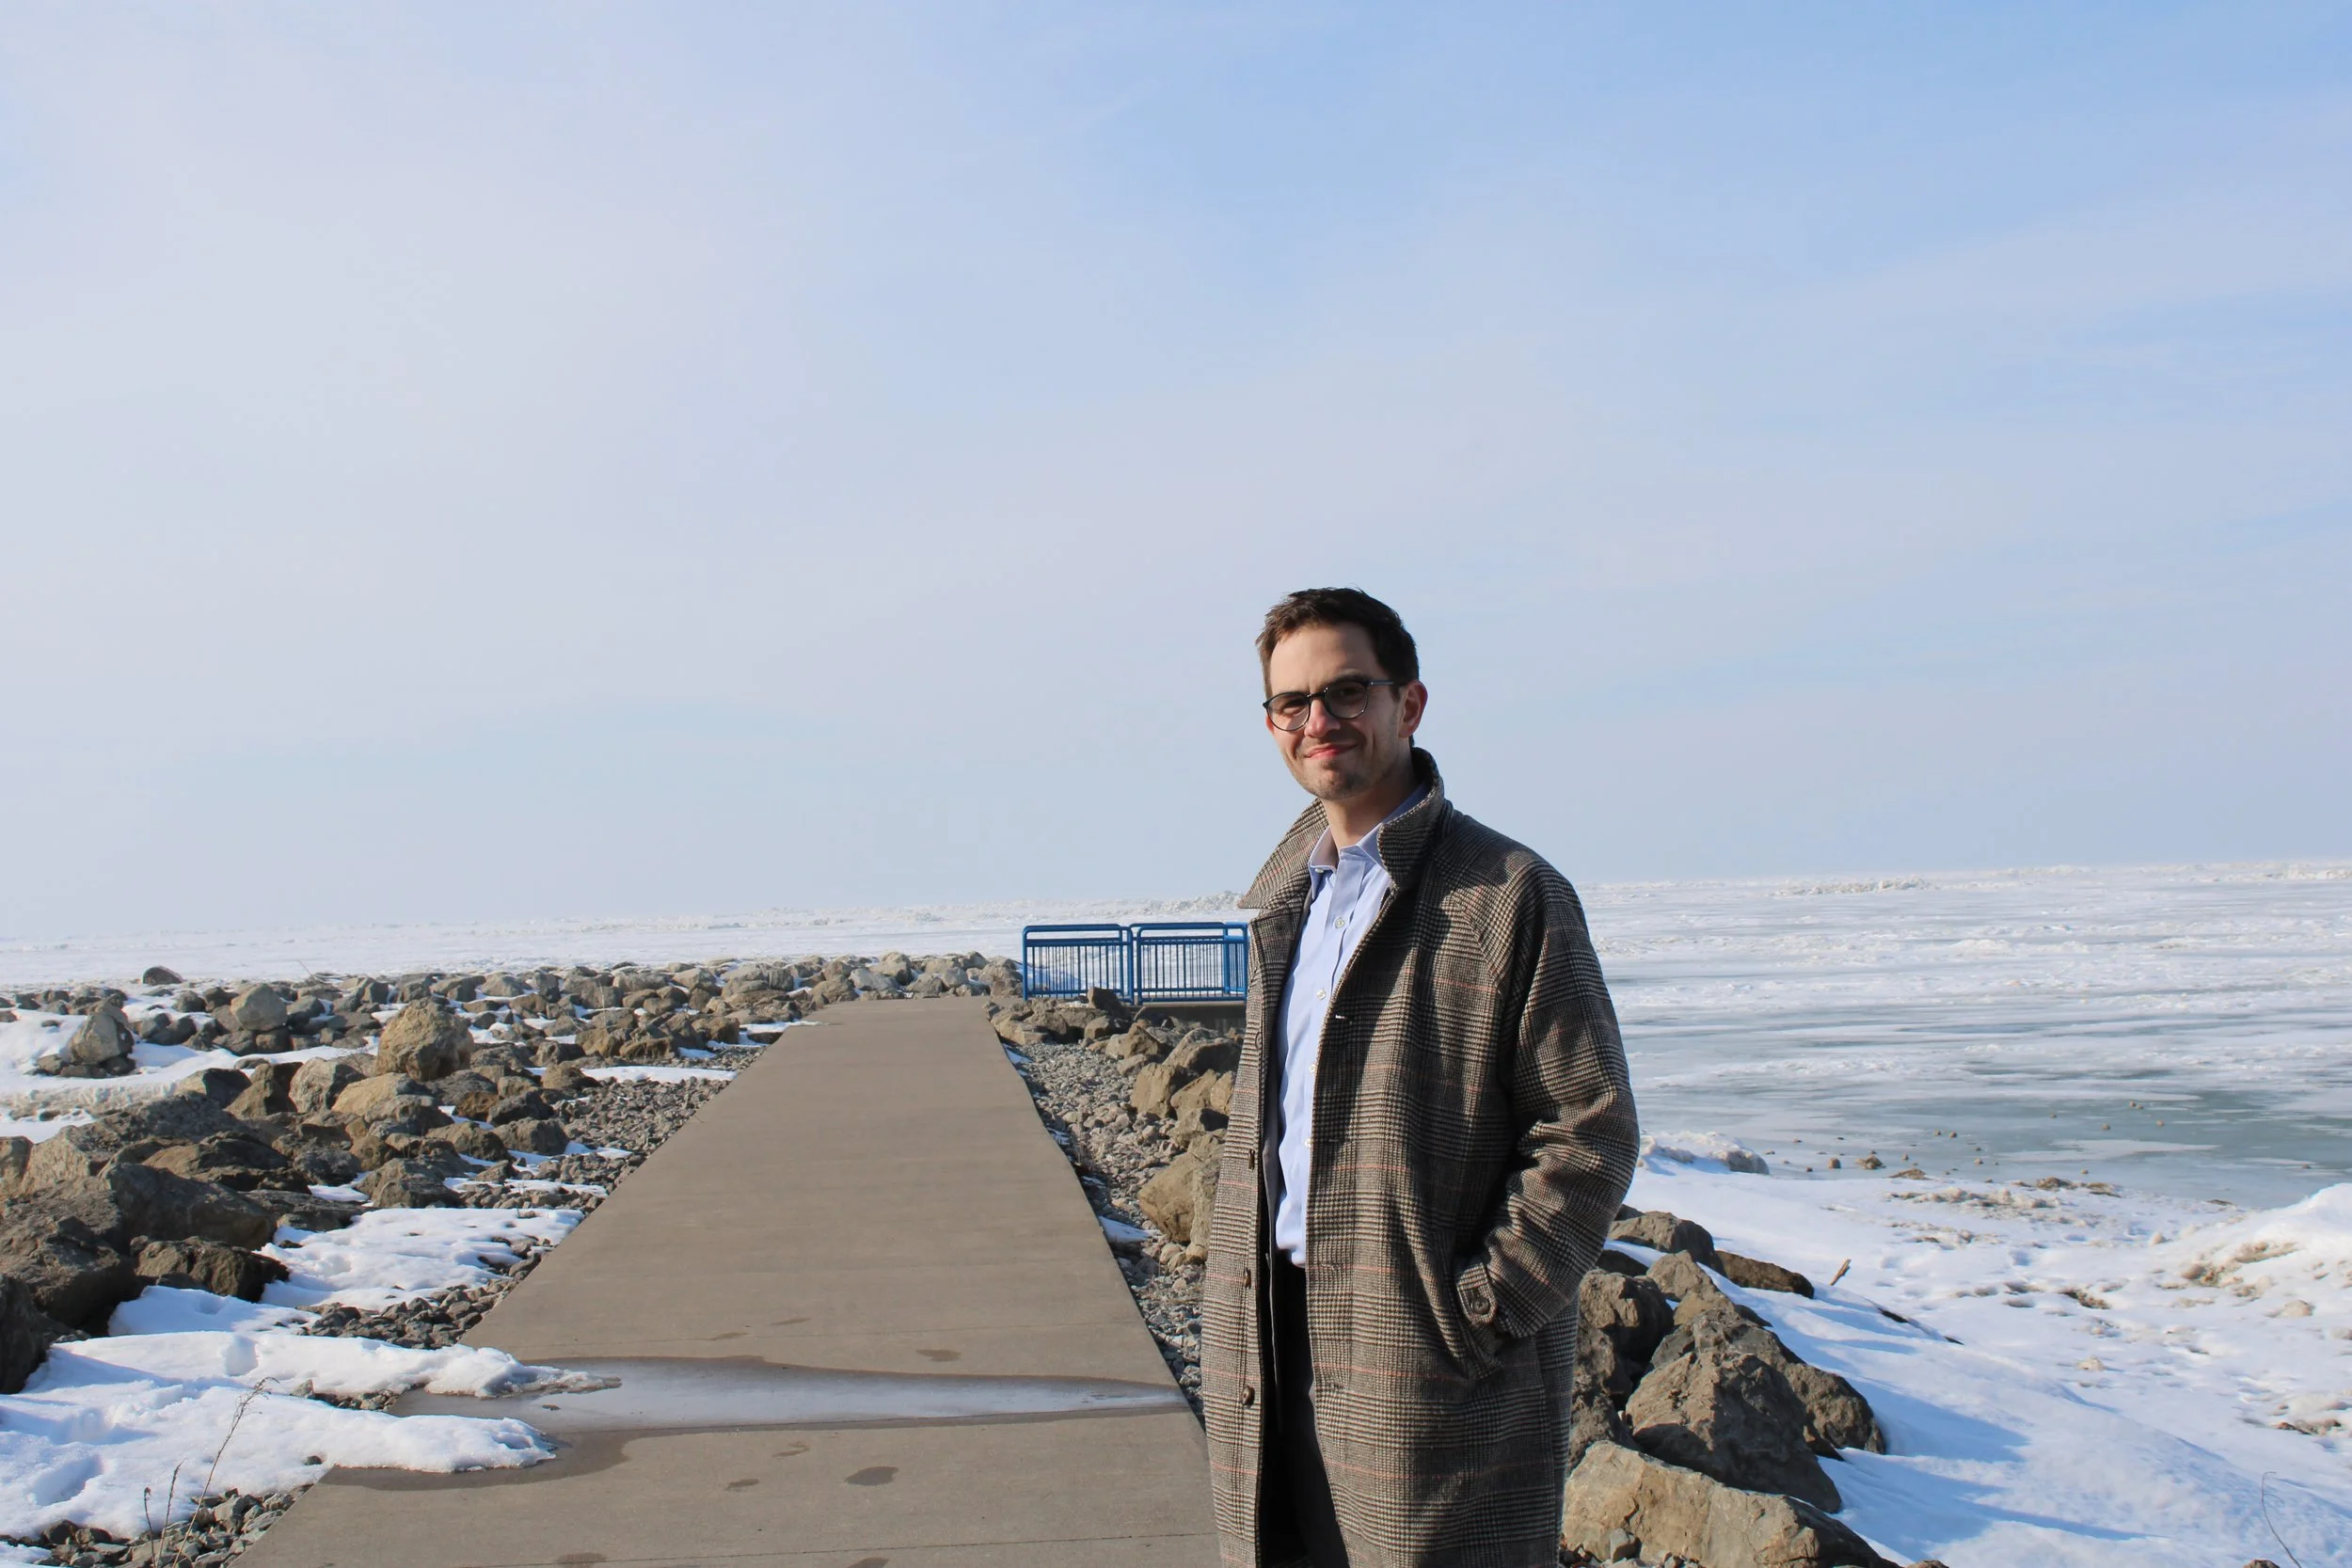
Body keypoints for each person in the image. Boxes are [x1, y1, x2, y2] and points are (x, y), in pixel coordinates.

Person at [1199, 587, 1639, 1568]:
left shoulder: (1507, 893)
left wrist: (1476, 1313)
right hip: (1270, 1345)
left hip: (1425, 1361)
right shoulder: (1288, 902)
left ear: (1409, 702)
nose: (1319, 720)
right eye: (1292, 701)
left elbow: (1591, 1125)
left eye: (1346, 691)